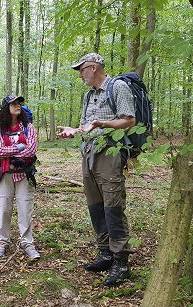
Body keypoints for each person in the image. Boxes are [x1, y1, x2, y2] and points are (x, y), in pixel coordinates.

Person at [58, 53, 135, 286]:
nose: (80, 74)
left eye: (81, 70)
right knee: (95, 205)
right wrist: (75, 130)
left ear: (93, 68)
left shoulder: (118, 87)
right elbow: (88, 125)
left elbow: (129, 120)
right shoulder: (89, 96)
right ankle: (105, 253)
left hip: (110, 154)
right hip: (89, 154)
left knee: (112, 206)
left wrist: (104, 124)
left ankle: (121, 262)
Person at [0, 95, 40, 260]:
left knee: (25, 210)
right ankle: (3, 243)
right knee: (4, 209)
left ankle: (28, 244)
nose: (17, 105)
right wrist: (20, 146)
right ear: (6, 108)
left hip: (24, 174)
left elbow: (31, 150)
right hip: (4, 175)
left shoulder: (29, 127)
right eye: (13, 103)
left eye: (19, 103)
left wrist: (11, 151)